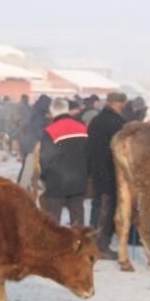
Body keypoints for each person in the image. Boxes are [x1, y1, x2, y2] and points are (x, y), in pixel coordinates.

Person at [86, 92, 128, 258]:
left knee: (97, 207)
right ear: (121, 103)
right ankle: (102, 246)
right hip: (113, 171)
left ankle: (91, 243)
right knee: (109, 209)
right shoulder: (119, 123)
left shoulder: (96, 120)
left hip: (96, 169)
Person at [39, 97, 88, 226]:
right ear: (67, 110)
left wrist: (44, 176)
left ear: (53, 111)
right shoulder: (82, 128)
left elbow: (45, 158)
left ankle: (54, 245)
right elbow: (88, 153)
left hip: (57, 181)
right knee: (78, 220)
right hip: (79, 179)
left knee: (53, 220)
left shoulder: (50, 131)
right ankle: (78, 245)